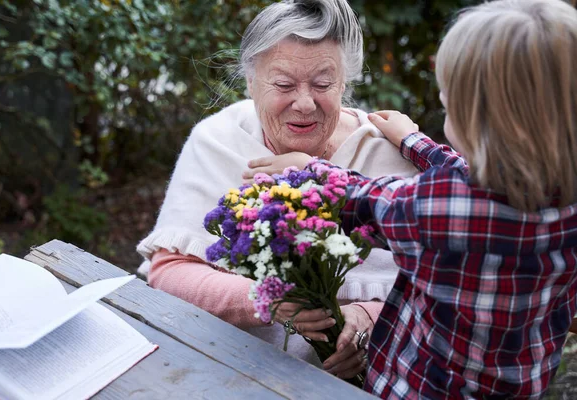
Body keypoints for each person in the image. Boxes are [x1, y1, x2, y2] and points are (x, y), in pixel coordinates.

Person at [136, 0, 417, 378]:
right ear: (251, 82)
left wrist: (369, 320)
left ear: (344, 83)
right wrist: (266, 300)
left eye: (323, 84)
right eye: (283, 84)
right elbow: (168, 271)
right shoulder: (219, 141)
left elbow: (446, 282)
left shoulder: (387, 152)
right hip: (231, 372)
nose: (304, 103)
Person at [314, 0, 577, 397]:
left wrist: (308, 169)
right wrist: (414, 142)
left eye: (448, 101)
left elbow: (357, 200)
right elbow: (474, 173)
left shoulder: (440, 208)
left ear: (480, 120)